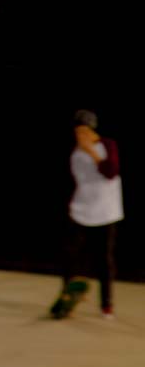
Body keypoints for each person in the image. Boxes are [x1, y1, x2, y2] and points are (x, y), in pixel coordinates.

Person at [61, 108, 123, 319]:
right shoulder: (75, 151)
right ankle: (67, 295)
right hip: (81, 209)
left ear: (93, 131)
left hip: (106, 211)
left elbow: (111, 172)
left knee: (104, 259)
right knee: (70, 253)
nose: (80, 135)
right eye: (78, 131)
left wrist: (92, 152)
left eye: (84, 131)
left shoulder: (107, 145)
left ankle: (107, 304)